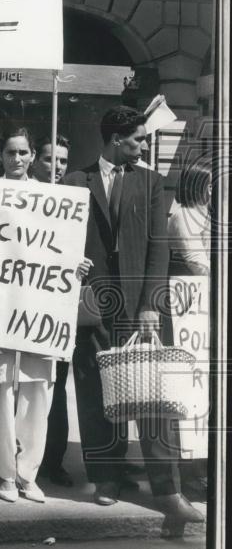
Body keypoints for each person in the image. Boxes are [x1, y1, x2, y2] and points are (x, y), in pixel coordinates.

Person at [62, 106, 203, 522]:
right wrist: (74, 265)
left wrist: (149, 307)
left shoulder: (152, 183)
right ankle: (106, 476)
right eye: (138, 140)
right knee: (94, 393)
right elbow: (58, 243)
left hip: (140, 307)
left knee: (154, 399)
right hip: (93, 305)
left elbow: (160, 249)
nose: (144, 145)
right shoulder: (74, 182)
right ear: (115, 139)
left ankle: (168, 490)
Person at [0, 128, 91, 503]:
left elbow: (61, 250)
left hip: (40, 310)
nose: (17, 159)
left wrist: (76, 266)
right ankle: (5, 474)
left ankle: (28, 474)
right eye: (10, 152)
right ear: (1, 155)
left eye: (23, 152)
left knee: (39, 392)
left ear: (33, 155)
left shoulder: (52, 198)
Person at [167, 157, 212, 503]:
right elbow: (198, 263)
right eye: (208, 185)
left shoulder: (209, 214)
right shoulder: (180, 215)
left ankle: (205, 464)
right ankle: (192, 469)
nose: (213, 191)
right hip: (190, 309)